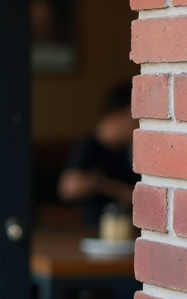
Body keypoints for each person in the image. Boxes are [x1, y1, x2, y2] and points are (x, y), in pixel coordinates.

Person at [57, 83, 139, 227]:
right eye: (135, 118)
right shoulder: (88, 146)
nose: (139, 124)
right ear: (117, 114)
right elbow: (68, 187)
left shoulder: (129, 150)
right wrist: (115, 189)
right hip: (94, 232)